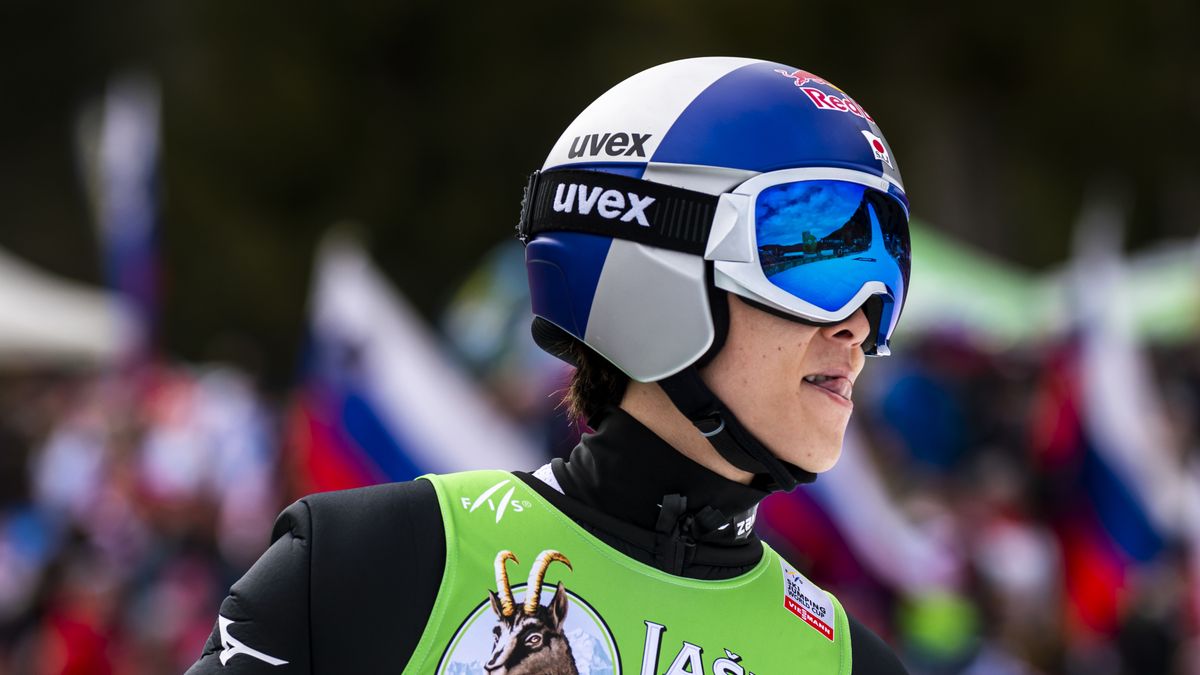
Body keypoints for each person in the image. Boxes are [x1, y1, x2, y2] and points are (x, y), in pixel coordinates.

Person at [186, 57, 912, 674]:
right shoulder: (369, 565)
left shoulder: (852, 662)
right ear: (653, 269)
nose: (859, 318)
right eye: (814, 257)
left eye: (888, 264)